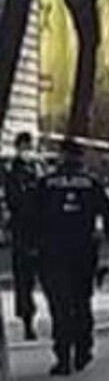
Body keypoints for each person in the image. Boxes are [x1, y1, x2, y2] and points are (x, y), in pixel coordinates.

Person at [37, 139, 109, 376]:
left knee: (60, 306)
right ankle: (83, 347)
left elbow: (31, 218)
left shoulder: (46, 184)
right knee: (81, 301)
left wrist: (32, 249)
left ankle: (63, 356)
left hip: (54, 252)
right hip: (83, 252)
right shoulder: (93, 184)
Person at [4, 131, 43, 341]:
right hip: (23, 231)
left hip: (41, 231)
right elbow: (17, 200)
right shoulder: (13, 171)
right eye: (26, 146)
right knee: (24, 280)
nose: (29, 150)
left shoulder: (38, 168)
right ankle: (28, 320)